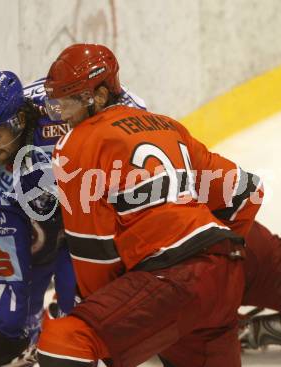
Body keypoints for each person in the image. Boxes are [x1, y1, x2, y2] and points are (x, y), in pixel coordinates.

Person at [37, 43, 264, 367]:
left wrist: (109, 323)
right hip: (226, 270)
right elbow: (246, 192)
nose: (64, 115)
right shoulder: (166, 125)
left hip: (169, 280)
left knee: (65, 341)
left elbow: (94, 247)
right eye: (57, 105)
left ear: (99, 96)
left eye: (69, 103)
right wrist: (221, 260)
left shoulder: (77, 143)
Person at [0, 68, 147, 367]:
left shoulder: (58, 115)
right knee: (11, 315)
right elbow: (1, 261)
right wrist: (6, 333)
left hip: (86, 212)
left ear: (17, 121)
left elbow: (129, 113)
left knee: (88, 304)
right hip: (37, 222)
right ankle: (28, 339)